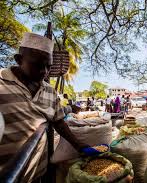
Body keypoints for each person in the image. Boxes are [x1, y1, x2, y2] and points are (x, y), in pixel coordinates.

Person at [0, 33, 96, 181]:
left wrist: (79, 145)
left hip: (37, 174)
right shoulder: (2, 82)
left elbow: (58, 122)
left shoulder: (50, 91)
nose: (44, 72)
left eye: (48, 66)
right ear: (19, 60)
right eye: (38, 65)